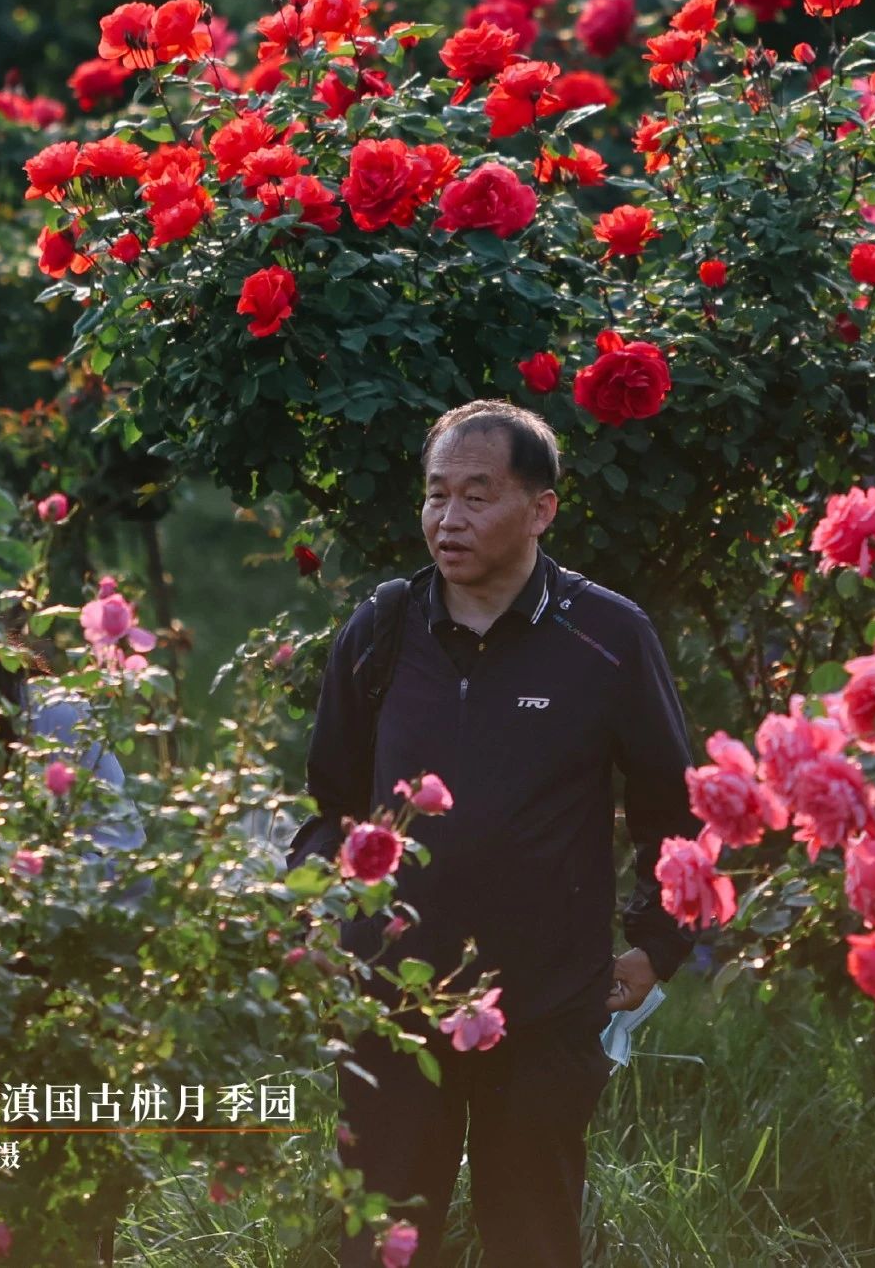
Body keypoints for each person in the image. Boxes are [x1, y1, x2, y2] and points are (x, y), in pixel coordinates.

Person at [288, 400, 697, 1267]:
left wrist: (656, 943)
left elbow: (674, 807)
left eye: (477, 495)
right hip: (392, 1009)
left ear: (541, 508)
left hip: (545, 1009)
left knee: (534, 1240)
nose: (448, 518)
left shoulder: (606, 635)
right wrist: (316, 919)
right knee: (384, 1247)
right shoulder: (383, 631)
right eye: (436, 495)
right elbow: (332, 805)